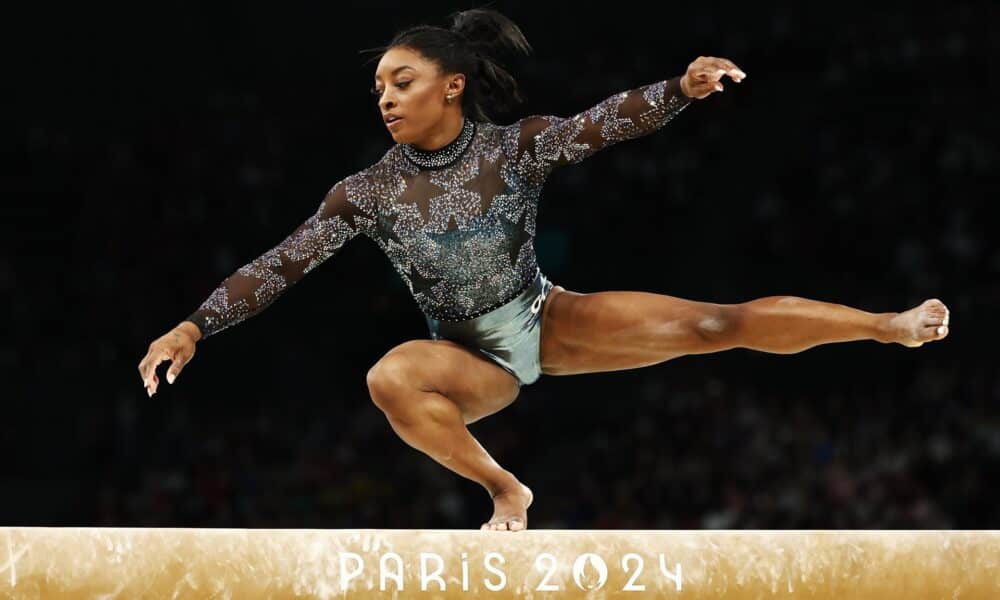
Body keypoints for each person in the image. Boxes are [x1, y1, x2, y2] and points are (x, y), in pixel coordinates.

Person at [138, 8, 950, 531]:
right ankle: (504, 490)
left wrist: (682, 88)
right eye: (379, 86)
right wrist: (194, 323)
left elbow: (602, 124)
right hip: (468, 361)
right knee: (390, 377)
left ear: (452, 85)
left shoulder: (513, 149)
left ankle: (884, 325)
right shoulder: (366, 194)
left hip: (545, 318)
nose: (384, 97)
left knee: (714, 323)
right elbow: (279, 265)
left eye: (402, 80)